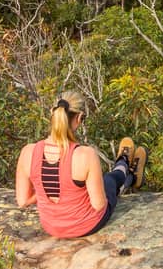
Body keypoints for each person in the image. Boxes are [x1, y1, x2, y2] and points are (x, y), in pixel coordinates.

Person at [15, 91, 146, 238]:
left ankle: (129, 171)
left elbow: (23, 200)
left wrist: (46, 190)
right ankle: (125, 165)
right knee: (109, 180)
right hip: (86, 225)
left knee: (102, 183)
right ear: (79, 118)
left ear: (52, 113)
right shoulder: (85, 154)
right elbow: (99, 205)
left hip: (51, 227)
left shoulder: (28, 152)